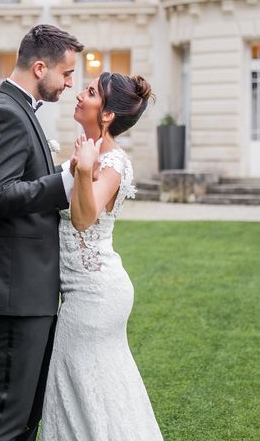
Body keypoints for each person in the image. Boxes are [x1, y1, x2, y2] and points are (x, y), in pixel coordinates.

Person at [0, 24, 84, 441]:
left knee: (27, 410)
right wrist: (64, 183)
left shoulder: (19, 108)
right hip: (14, 286)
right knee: (8, 411)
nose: (69, 83)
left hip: (29, 285)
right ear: (41, 67)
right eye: (66, 74)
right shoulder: (4, 111)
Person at [40, 72, 163, 439]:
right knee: (97, 390)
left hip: (93, 295)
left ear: (107, 114)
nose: (79, 94)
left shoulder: (111, 162)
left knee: (77, 389)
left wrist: (83, 168)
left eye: (90, 92)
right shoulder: (90, 150)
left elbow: (83, 217)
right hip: (85, 291)